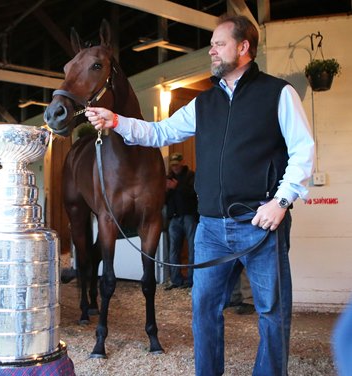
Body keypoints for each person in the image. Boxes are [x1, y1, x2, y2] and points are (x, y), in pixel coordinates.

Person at [85, 14, 314, 376]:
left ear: (243, 48)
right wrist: (116, 122)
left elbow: (304, 151)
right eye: (211, 44)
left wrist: (281, 201)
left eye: (219, 44)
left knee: (272, 311)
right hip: (209, 228)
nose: (211, 50)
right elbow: (160, 132)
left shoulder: (278, 93)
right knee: (204, 309)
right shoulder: (203, 103)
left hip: (261, 224)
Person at [164, 152, 199, 290]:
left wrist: (176, 187)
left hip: (189, 216)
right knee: (173, 250)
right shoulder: (168, 178)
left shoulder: (191, 175)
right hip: (174, 218)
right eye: (173, 165)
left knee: (193, 249)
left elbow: (194, 194)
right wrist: (167, 190)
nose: (175, 167)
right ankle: (176, 279)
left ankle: (191, 279)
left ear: (182, 162)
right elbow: (165, 200)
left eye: (177, 164)